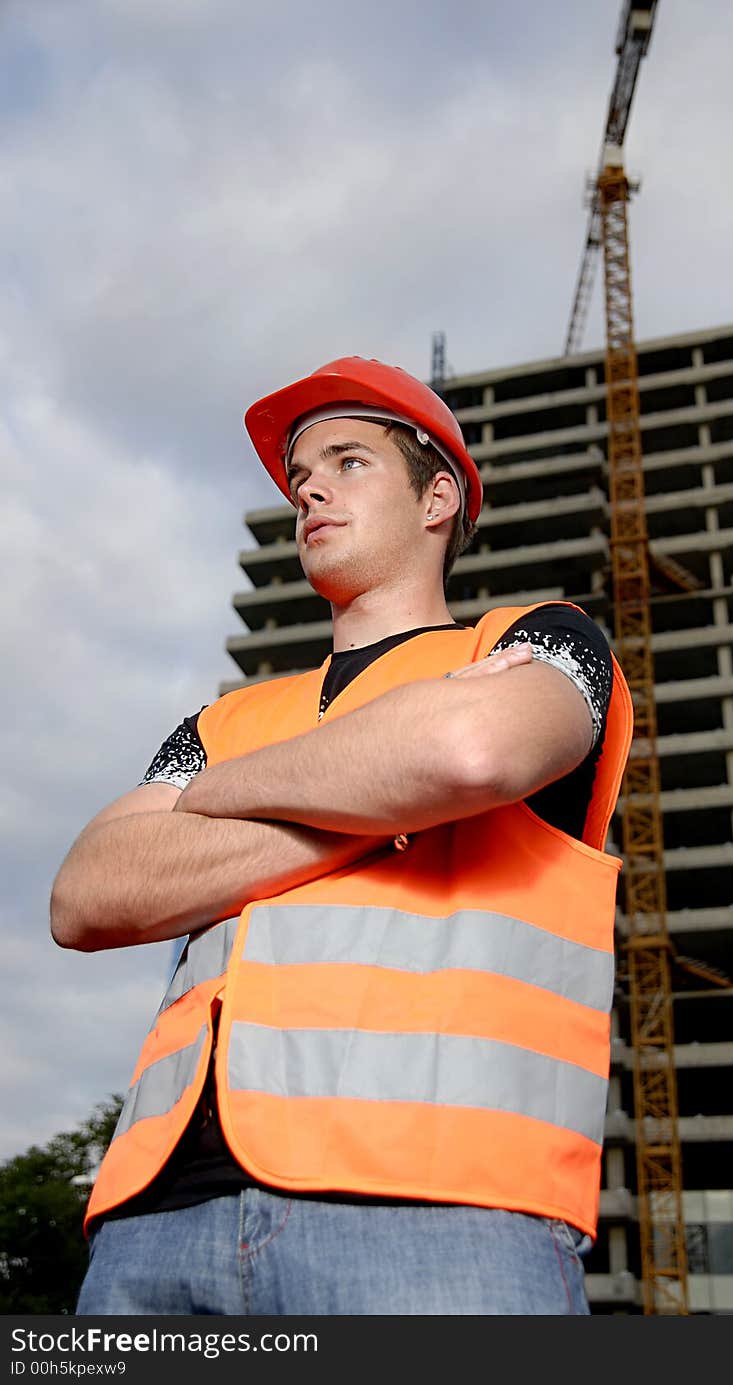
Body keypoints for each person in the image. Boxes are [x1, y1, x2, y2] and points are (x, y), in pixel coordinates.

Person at [51, 356, 633, 1316]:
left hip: (444, 1211)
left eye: (348, 461)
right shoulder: (225, 719)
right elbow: (87, 894)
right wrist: (390, 806)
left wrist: (210, 805)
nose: (309, 488)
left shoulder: (536, 640)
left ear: (437, 496)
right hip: (152, 1225)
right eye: (300, 475)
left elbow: (471, 748)